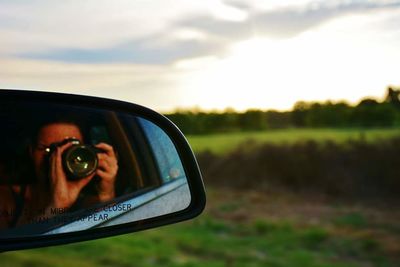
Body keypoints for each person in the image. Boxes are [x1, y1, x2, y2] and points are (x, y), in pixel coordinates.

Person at [0, 117, 118, 228]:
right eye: (47, 149)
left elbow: (107, 230)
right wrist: (56, 206)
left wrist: (106, 195)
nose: (58, 157)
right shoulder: (6, 198)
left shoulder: (90, 203)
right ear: (31, 152)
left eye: (70, 148)